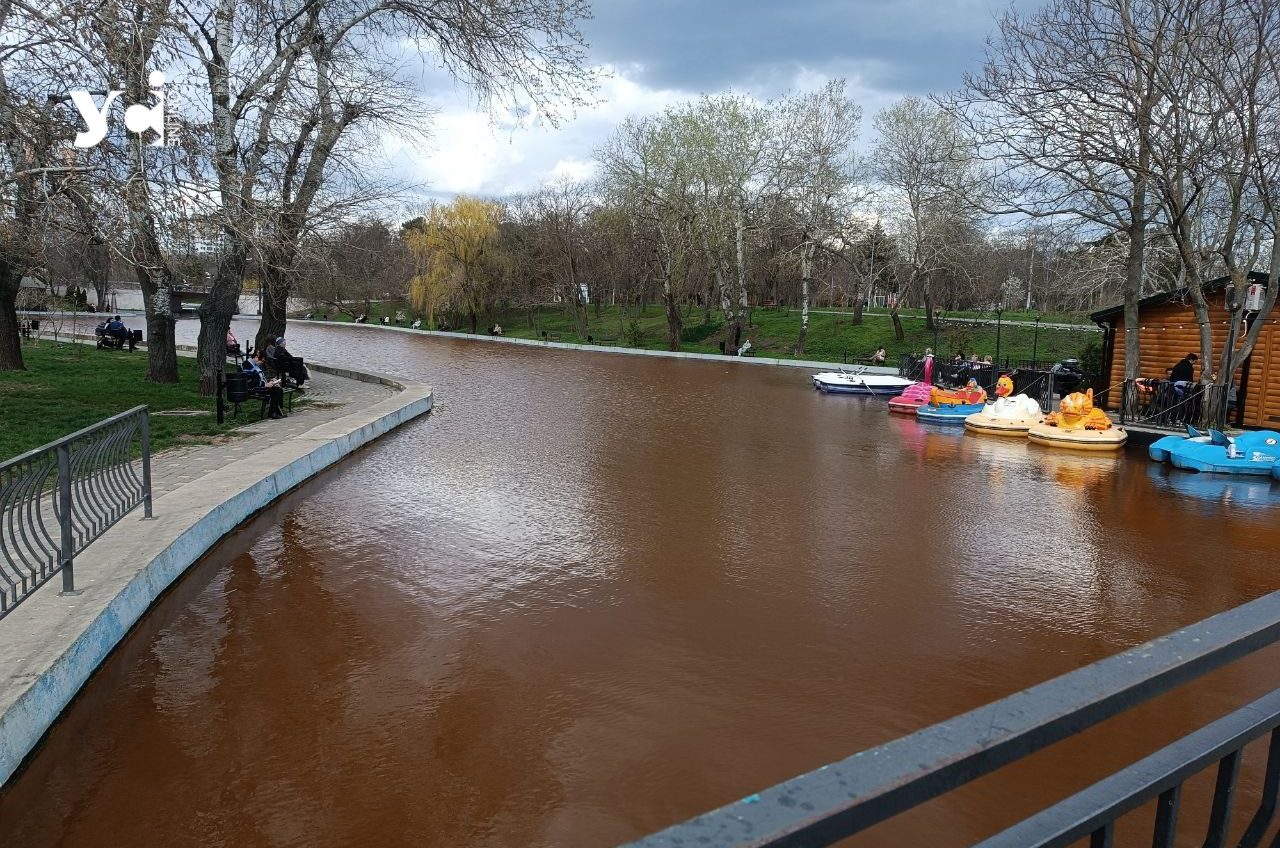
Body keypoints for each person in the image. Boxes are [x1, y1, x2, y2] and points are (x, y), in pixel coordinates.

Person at [245, 351, 286, 418]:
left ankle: (277, 411)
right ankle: (272, 413)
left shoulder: (255, 365)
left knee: (278, 389)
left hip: (259, 385)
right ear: (256, 357)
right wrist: (265, 385)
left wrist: (270, 381)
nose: (262, 362)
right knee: (276, 390)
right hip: (252, 388)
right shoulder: (248, 366)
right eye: (262, 361)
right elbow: (251, 381)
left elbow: (260, 378)